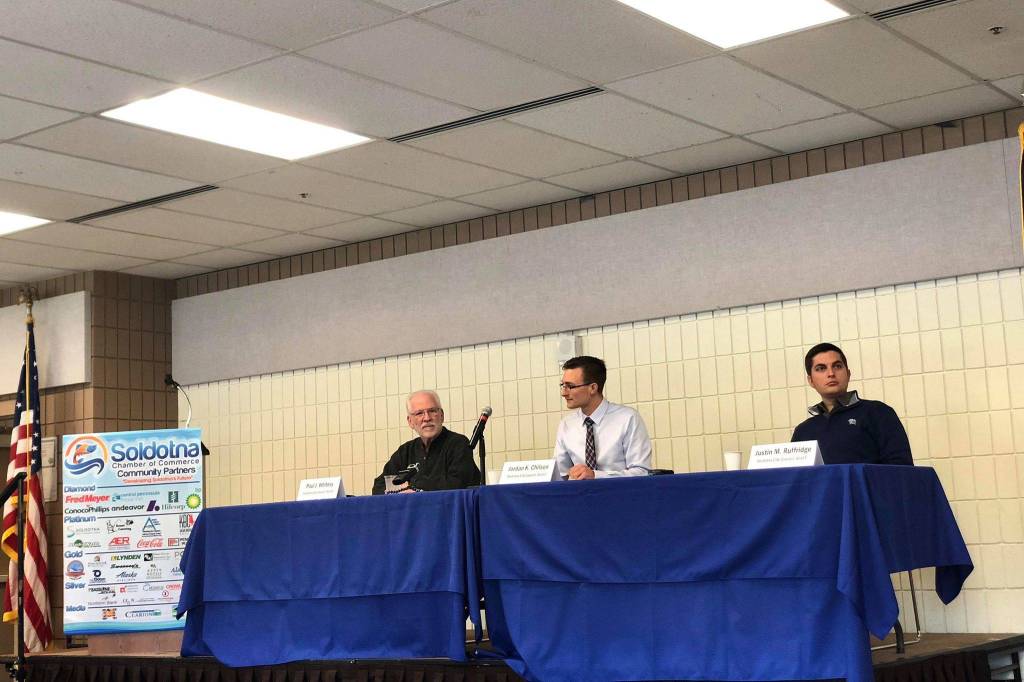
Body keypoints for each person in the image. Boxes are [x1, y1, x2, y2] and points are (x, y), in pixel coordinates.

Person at [792, 342, 913, 465]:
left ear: (848, 374)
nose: (831, 373)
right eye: (821, 368)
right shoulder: (803, 432)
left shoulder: (878, 413)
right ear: (811, 380)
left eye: (837, 366)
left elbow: (901, 468)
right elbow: (795, 478)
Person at [553, 355, 652, 479]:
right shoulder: (566, 424)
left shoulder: (628, 418)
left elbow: (641, 472)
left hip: (620, 495)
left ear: (593, 388)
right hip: (580, 496)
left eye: (570, 386)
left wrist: (596, 476)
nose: (564, 392)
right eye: (562, 385)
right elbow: (560, 475)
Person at [371, 390, 481, 494]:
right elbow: (379, 486)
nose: (427, 418)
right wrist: (405, 492)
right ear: (410, 421)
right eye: (419, 413)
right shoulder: (405, 451)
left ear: (441, 415)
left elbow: (457, 483)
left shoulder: (458, 444)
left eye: (432, 411)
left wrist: (414, 489)